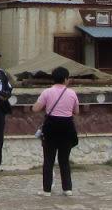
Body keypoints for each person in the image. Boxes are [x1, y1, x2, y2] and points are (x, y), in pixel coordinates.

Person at [32, 66, 80, 196]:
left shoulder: (47, 92)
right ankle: (67, 188)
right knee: (64, 159)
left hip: (51, 127)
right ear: (65, 79)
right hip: (67, 127)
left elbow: (35, 109)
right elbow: (76, 111)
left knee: (48, 159)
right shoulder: (72, 93)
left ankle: (46, 189)